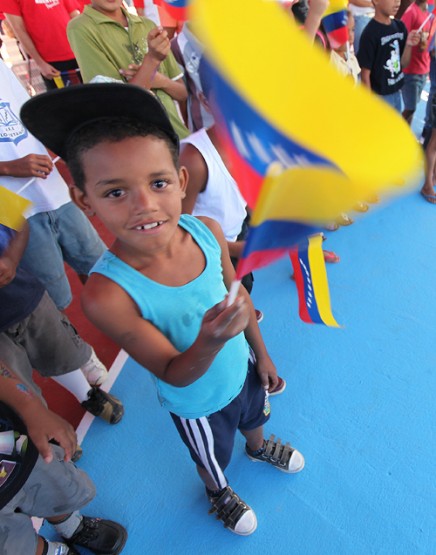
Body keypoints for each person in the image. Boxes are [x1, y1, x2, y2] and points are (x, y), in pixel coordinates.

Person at [21, 83, 305, 536]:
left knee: (255, 417)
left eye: (158, 183)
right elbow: (174, 371)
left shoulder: (207, 229)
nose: (145, 206)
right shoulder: (106, 294)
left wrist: (262, 355)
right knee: (211, 456)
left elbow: (240, 296)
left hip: (244, 369)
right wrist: (210, 340)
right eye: (115, 192)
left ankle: (257, 447)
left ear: (181, 181)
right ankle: (219, 491)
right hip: (197, 401)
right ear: (84, 201)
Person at [0, 59, 106, 311]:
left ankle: (118, 324)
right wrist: (7, 167)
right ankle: (78, 349)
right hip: (11, 208)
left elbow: (26, 116)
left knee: (102, 268)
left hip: (53, 190)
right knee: (54, 299)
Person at [0, 220, 124, 425]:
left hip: (27, 298)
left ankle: (86, 395)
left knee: (59, 351)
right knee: (15, 383)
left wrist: (11, 260)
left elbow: (19, 222)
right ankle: (44, 428)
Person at [0, 360, 127, 555]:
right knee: (10, 544)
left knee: (48, 483)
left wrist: (30, 407)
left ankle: (70, 525)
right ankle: (48, 551)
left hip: (10, 442)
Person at [67, 0, 189, 139]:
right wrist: (152, 60)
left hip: (179, 136)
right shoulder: (80, 28)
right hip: (141, 147)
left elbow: (183, 93)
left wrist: (160, 81)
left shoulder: (147, 25)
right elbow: (118, 106)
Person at [0, 0, 81, 89]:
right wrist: (40, 63)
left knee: (94, 96)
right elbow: (18, 29)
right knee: (67, 100)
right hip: (52, 61)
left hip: (79, 51)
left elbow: (74, 14)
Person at [357, 0, 420, 112]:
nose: (397, 2)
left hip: (397, 93)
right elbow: (365, 74)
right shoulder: (369, 33)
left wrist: (409, 45)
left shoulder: (400, 27)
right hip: (380, 98)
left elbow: (403, 64)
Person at [401, 0, 432, 125]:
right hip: (411, 70)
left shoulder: (429, 12)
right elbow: (402, 36)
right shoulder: (411, 12)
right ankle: (398, 134)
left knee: (413, 108)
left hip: (424, 68)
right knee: (410, 108)